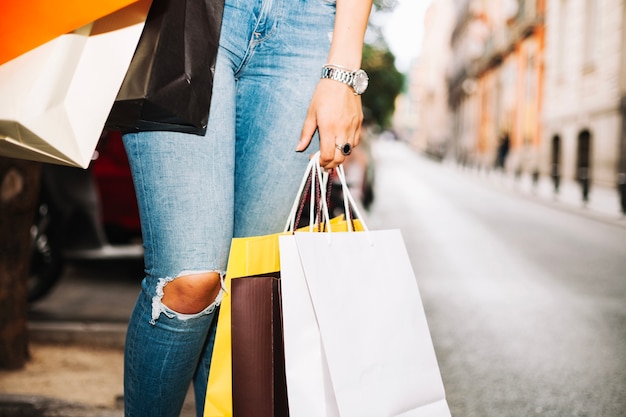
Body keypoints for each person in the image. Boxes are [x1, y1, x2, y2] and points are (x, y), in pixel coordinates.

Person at [121, 0, 373, 416]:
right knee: (191, 280)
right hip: (182, 14)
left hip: (305, 29)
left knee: (248, 291)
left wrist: (343, 74)